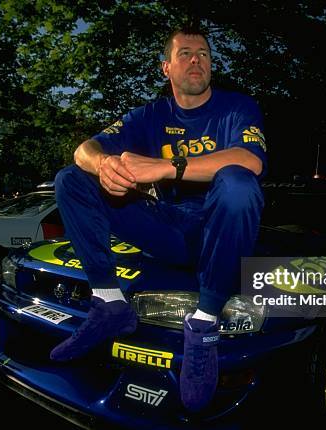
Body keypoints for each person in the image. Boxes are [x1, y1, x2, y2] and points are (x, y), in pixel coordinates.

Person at [50, 27, 266, 412]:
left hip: (215, 236)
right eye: (185, 53)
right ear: (167, 67)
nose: (196, 59)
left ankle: (203, 325)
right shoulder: (149, 115)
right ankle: (109, 304)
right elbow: (85, 149)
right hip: (167, 228)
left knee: (238, 182)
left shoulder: (237, 108)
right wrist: (105, 166)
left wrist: (165, 166)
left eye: (204, 53)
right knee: (71, 178)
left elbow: (250, 161)